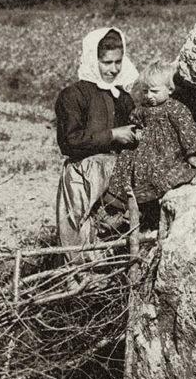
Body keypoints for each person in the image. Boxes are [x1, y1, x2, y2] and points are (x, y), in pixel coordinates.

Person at [54, 27, 140, 248]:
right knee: (77, 230)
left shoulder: (123, 97)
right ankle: (77, 278)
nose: (113, 69)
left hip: (115, 171)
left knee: (111, 229)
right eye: (107, 63)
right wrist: (112, 135)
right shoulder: (73, 95)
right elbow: (70, 142)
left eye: (118, 62)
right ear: (93, 59)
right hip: (82, 174)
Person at [108, 62, 196, 228]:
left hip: (171, 148)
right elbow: (134, 121)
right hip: (147, 148)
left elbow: (186, 130)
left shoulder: (175, 108)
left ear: (169, 89)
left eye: (154, 91)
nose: (149, 96)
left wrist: (191, 154)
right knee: (132, 165)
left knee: (160, 169)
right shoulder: (142, 109)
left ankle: (148, 207)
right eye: (145, 91)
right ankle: (133, 206)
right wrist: (137, 131)